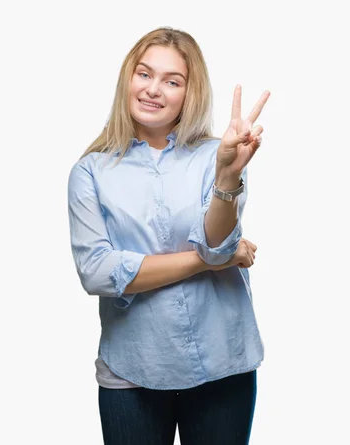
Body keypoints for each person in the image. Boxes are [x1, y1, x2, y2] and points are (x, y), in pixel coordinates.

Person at [67, 26, 269, 445]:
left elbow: (214, 241)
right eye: (144, 74)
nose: (153, 89)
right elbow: (98, 273)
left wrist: (228, 175)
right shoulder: (90, 172)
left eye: (171, 81)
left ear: (188, 94)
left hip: (222, 364)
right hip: (132, 369)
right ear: (128, 78)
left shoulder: (218, 156)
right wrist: (211, 260)